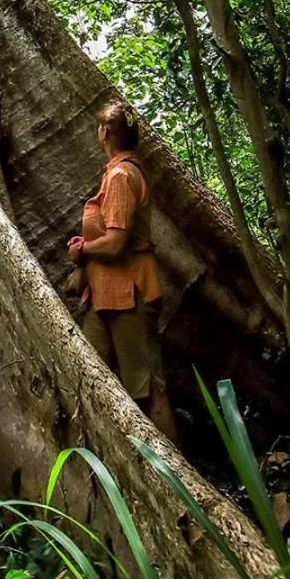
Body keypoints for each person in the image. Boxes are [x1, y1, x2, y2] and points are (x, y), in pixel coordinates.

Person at [67, 101, 178, 443]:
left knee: (147, 386)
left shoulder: (120, 176)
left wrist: (83, 249)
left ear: (104, 134)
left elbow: (115, 243)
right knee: (93, 370)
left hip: (130, 294)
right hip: (105, 295)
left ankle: (175, 476)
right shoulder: (119, 172)